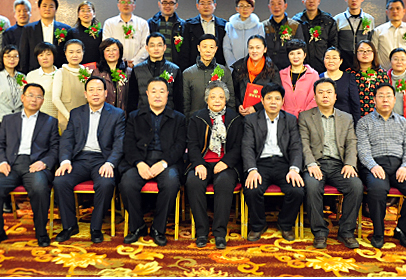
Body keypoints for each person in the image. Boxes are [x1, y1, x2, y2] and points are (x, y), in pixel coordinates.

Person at [0, 83, 59, 249]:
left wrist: (44, 162)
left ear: (43, 101)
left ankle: (41, 232)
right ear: (23, 98)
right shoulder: (9, 120)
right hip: (10, 164)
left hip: (35, 165)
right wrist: (1, 162)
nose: (34, 99)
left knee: (40, 189)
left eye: (39, 97)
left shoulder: (50, 121)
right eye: (30, 95)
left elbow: (55, 148)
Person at [53, 77, 126, 243]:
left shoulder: (117, 114)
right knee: (60, 181)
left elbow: (119, 143)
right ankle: (69, 226)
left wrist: (110, 163)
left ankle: (96, 227)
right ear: (85, 94)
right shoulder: (76, 113)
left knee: (106, 183)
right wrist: (65, 161)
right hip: (80, 159)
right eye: (91, 90)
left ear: (106, 93)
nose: (95, 93)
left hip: (103, 160)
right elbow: (67, 140)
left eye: (99, 90)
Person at [357, 83, 406, 249]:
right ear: (374, 100)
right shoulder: (364, 122)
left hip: (399, 165)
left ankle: (403, 229)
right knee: (377, 190)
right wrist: (373, 166)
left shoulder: (403, 122)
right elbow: (362, 149)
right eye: (381, 96)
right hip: (375, 165)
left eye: (388, 96)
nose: (385, 100)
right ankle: (378, 232)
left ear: (394, 100)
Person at [119, 78, 187, 247]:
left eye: (161, 91)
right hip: (141, 160)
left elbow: (180, 145)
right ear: (147, 94)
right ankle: (137, 226)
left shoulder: (179, 118)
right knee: (127, 182)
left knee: (171, 182)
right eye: (154, 91)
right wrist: (139, 163)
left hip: (167, 162)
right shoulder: (134, 116)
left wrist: (164, 163)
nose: (158, 95)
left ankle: (158, 228)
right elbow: (128, 144)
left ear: (167, 94)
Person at [299, 78, 362, 250]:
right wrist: (311, 163)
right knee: (312, 186)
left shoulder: (346, 118)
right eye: (320, 92)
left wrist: (350, 164)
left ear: (335, 96)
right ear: (315, 96)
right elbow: (303, 143)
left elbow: (352, 143)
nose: (325, 96)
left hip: (339, 165)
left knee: (356, 186)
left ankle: (346, 232)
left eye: (328, 92)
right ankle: (320, 232)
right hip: (316, 164)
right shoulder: (305, 117)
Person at [242, 83, 305, 242]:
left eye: (277, 98)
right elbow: (247, 147)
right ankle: (258, 225)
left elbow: (296, 146)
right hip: (260, 164)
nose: (273, 102)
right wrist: (252, 170)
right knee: (252, 189)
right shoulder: (251, 120)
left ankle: (285, 224)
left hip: (284, 164)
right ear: (262, 100)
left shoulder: (290, 120)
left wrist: (294, 169)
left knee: (297, 190)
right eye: (269, 98)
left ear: (283, 101)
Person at [185, 81, 243, 249]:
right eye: (213, 97)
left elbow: (238, 146)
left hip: (226, 164)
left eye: (221, 97)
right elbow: (192, 145)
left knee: (224, 183)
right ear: (207, 99)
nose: (217, 100)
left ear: (226, 100)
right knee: (193, 182)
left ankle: (219, 233)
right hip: (202, 163)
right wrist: (198, 164)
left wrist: (225, 162)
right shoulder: (197, 118)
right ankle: (202, 232)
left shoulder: (234, 118)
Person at [183, 34, 235, 120]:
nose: (208, 50)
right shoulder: (188, 73)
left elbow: (231, 99)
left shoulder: (225, 71)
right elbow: (186, 103)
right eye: (204, 47)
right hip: (195, 120)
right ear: (198, 48)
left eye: (211, 47)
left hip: (219, 120)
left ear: (216, 49)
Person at [127, 32, 183, 113]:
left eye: (159, 45)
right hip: (142, 116)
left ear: (164, 47)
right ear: (147, 48)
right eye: (152, 45)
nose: (156, 48)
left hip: (169, 116)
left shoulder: (174, 69)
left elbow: (178, 100)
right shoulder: (137, 70)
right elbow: (132, 99)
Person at [0, 45, 25, 155]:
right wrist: (5, 120)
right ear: (2, 58)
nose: (12, 59)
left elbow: (24, 101)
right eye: (8, 56)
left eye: (15, 56)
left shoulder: (22, 77)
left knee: (15, 155)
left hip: (17, 123)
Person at [231, 35, 281, 117]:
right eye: (251, 48)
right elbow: (233, 91)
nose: (254, 51)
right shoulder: (239, 67)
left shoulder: (272, 69)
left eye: (258, 48)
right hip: (241, 114)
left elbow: (276, 93)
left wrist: (256, 108)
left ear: (265, 49)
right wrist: (238, 105)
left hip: (264, 115)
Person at [19, 0, 71, 72]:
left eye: (51, 6)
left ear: (56, 10)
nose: (47, 9)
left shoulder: (65, 29)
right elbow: (24, 54)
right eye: (44, 6)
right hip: (35, 71)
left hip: (59, 71)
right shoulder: (28, 29)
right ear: (39, 8)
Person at [292, 0, 338, 73]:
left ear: (318, 1)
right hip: (302, 67)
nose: (311, 1)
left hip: (323, 67)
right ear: (303, 1)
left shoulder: (328, 21)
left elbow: (333, 44)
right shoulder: (296, 21)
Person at [371, 0, 406, 71]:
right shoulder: (378, 31)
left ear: (404, 11)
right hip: (384, 73)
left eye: (398, 8)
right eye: (391, 9)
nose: (395, 11)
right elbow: (373, 53)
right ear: (386, 12)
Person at [102, 0, 150, 68]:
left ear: (134, 5)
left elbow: (146, 45)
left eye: (129, 2)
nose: (126, 4)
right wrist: (118, 61)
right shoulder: (109, 23)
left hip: (138, 66)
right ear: (118, 5)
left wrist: (135, 61)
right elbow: (106, 45)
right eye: (123, 2)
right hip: (114, 65)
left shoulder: (142, 23)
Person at [333, 0, 375, 71]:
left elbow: (371, 41)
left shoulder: (369, 19)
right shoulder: (338, 19)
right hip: (343, 61)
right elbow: (335, 42)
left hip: (363, 62)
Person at [182, 0, 228, 68]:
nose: (206, 6)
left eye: (209, 3)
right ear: (197, 6)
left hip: (218, 67)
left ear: (215, 5)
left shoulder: (223, 25)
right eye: (202, 3)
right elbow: (185, 50)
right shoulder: (189, 25)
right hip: (195, 67)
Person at [52, 39, 89, 133]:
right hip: (66, 119)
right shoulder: (60, 72)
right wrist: (69, 117)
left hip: (84, 118)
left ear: (83, 53)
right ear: (65, 53)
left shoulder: (87, 72)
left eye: (78, 52)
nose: (75, 55)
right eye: (71, 52)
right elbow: (55, 99)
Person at [262, 0, 305, 70]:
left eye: (279, 4)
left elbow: (300, 48)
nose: (276, 7)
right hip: (268, 68)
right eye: (273, 4)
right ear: (269, 7)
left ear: (285, 6)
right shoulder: (263, 26)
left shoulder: (294, 25)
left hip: (289, 68)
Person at [347, 40, 390, 117]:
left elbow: (386, 95)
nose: (365, 53)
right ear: (356, 53)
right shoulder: (349, 73)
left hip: (376, 116)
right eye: (361, 50)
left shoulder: (381, 73)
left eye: (368, 50)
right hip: (353, 115)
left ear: (374, 53)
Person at [223, 0, 265, 70]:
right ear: (237, 9)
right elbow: (227, 48)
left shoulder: (259, 26)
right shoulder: (229, 26)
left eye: (248, 6)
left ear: (252, 9)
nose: (245, 9)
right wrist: (234, 67)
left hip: (254, 68)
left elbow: (260, 48)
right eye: (241, 6)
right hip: (233, 68)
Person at [320, 47, 360, 124]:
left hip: (344, 122)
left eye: (334, 58)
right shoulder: (318, 78)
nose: (331, 61)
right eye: (327, 58)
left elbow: (355, 104)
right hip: (323, 121)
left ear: (341, 61)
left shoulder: (349, 78)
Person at [279, 39, 319, 117]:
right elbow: (278, 96)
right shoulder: (281, 74)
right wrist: (283, 115)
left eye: (298, 53)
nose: (295, 57)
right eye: (292, 53)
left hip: (307, 117)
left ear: (304, 55)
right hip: (284, 117)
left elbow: (315, 98)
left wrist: (304, 116)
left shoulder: (313, 75)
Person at [147, 0, 186, 69]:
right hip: (154, 66)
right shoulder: (150, 23)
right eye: (164, 3)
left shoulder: (182, 25)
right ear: (159, 4)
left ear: (176, 5)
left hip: (175, 67)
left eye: (171, 3)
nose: (168, 6)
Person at [95, 38, 132, 112]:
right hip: (104, 114)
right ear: (103, 53)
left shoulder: (128, 72)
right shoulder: (97, 73)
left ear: (120, 52)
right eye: (107, 50)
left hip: (123, 114)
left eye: (114, 50)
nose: (111, 53)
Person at [25, 42, 59, 118]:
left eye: (48, 54)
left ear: (54, 56)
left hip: (59, 117)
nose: (45, 58)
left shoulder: (61, 74)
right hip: (37, 118)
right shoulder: (31, 75)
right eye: (41, 55)